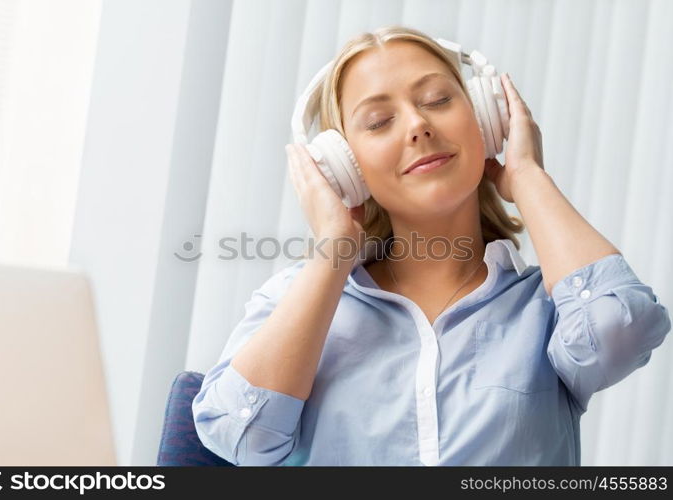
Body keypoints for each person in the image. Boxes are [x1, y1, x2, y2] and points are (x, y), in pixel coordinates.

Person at [192, 25, 671, 466]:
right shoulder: (299, 300)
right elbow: (241, 437)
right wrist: (335, 247)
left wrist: (527, 176)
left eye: (439, 99)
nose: (418, 125)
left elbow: (619, 330)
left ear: (486, 120)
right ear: (343, 167)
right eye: (379, 121)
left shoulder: (546, 309)